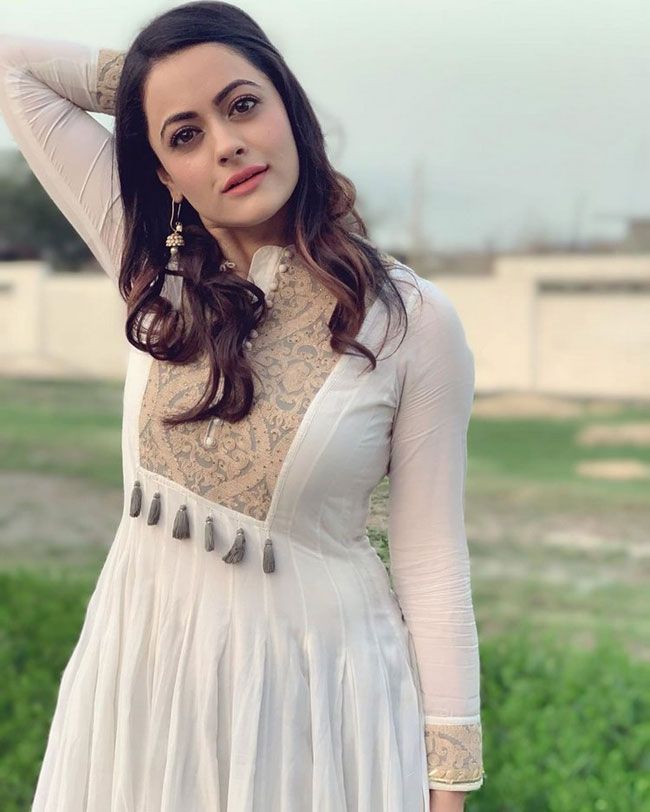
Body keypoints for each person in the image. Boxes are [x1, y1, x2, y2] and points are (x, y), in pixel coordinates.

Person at [0, 2, 485, 810]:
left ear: (289, 107)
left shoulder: (412, 321)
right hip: (142, 675)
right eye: (185, 135)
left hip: (318, 698)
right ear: (163, 174)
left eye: (244, 104)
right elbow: (12, 66)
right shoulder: (149, 272)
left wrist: (449, 782)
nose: (225, 144)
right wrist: (149, 88)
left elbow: (432, 559)